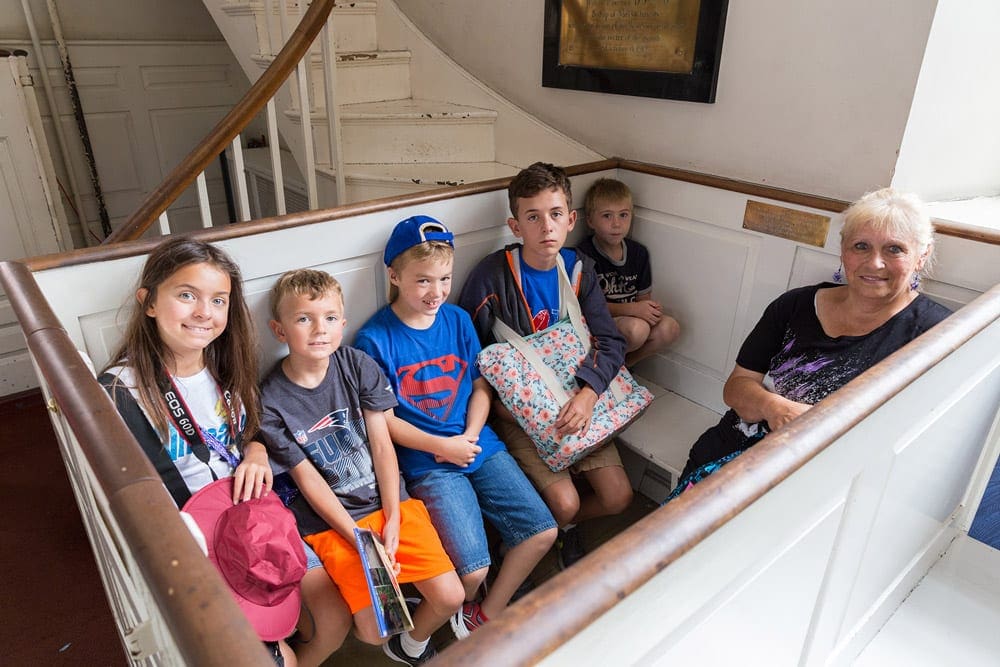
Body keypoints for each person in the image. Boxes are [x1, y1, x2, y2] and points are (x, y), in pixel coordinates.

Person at [98, 237, 350, 666]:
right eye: (186, 296)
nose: (203, 312)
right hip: (198, 539)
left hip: (256, 518)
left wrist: (254, 453)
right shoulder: (122, 390)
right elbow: (131, 495)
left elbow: (251, 430)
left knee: (332, 617)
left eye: (218, 300)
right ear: (149, 302)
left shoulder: (226, 363)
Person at [355, 216, 558, 640]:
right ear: (394, 276)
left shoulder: (459, 321)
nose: (436, 292)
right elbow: (384, 422)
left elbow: (481, 386)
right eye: (423, 281)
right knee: (472, 569)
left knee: (542, 530)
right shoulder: (374, 339)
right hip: (427, 460)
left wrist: (468, 436)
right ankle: (434, 621)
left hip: (478, 442)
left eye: (444, 279)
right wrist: (441, 447)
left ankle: (484, 614)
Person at [676, 187, 952, 489]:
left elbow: (916, 444)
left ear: (921, 255)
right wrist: (775, 408)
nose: (874, 263)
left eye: (894, 249)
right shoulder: (795, 305)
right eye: (861, 246)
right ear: (843, 250)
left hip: (820, 485)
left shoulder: (933, 333)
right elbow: (736, 387)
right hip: (731, 454)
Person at [259, 269, 465, 666]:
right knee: (374, 631)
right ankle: (394, 600)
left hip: (388, 503)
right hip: (334, 523)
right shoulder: (271, 399)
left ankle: (412, 643)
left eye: (331, 318)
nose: (320, 329)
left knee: (452, 596)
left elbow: (383, 446)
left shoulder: (355, 364)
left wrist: (391, 518)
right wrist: (359, 539)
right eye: (304, 319)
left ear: (343, 322)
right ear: (279, 330)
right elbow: (308, 481)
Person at [458, 162, 633, 570]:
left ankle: (549, 529)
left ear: (571, 220)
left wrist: (589, 395)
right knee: (566, 503)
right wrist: (501, 410)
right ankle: (534, 534)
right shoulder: (491, 275)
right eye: (532, 217)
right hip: (519, 413)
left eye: (555, 215)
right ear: (515, 226)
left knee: (618, 498)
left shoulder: (577, 268)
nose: (546, 227)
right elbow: (467, 353)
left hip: (576, 402)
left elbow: (610, 341)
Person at [576, 178, 680, 366]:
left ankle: (623, 366)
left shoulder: (638, 253)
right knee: (637, 329)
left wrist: (649, 310)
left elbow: (643, 299)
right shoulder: (584, 255)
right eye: (607, 216)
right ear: (590, 220)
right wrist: (632, 309)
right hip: (596, 323)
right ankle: (608, 366)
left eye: (623, 215)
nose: (616, 224)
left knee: (669, 327)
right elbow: (587, 307)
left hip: (629, 319)